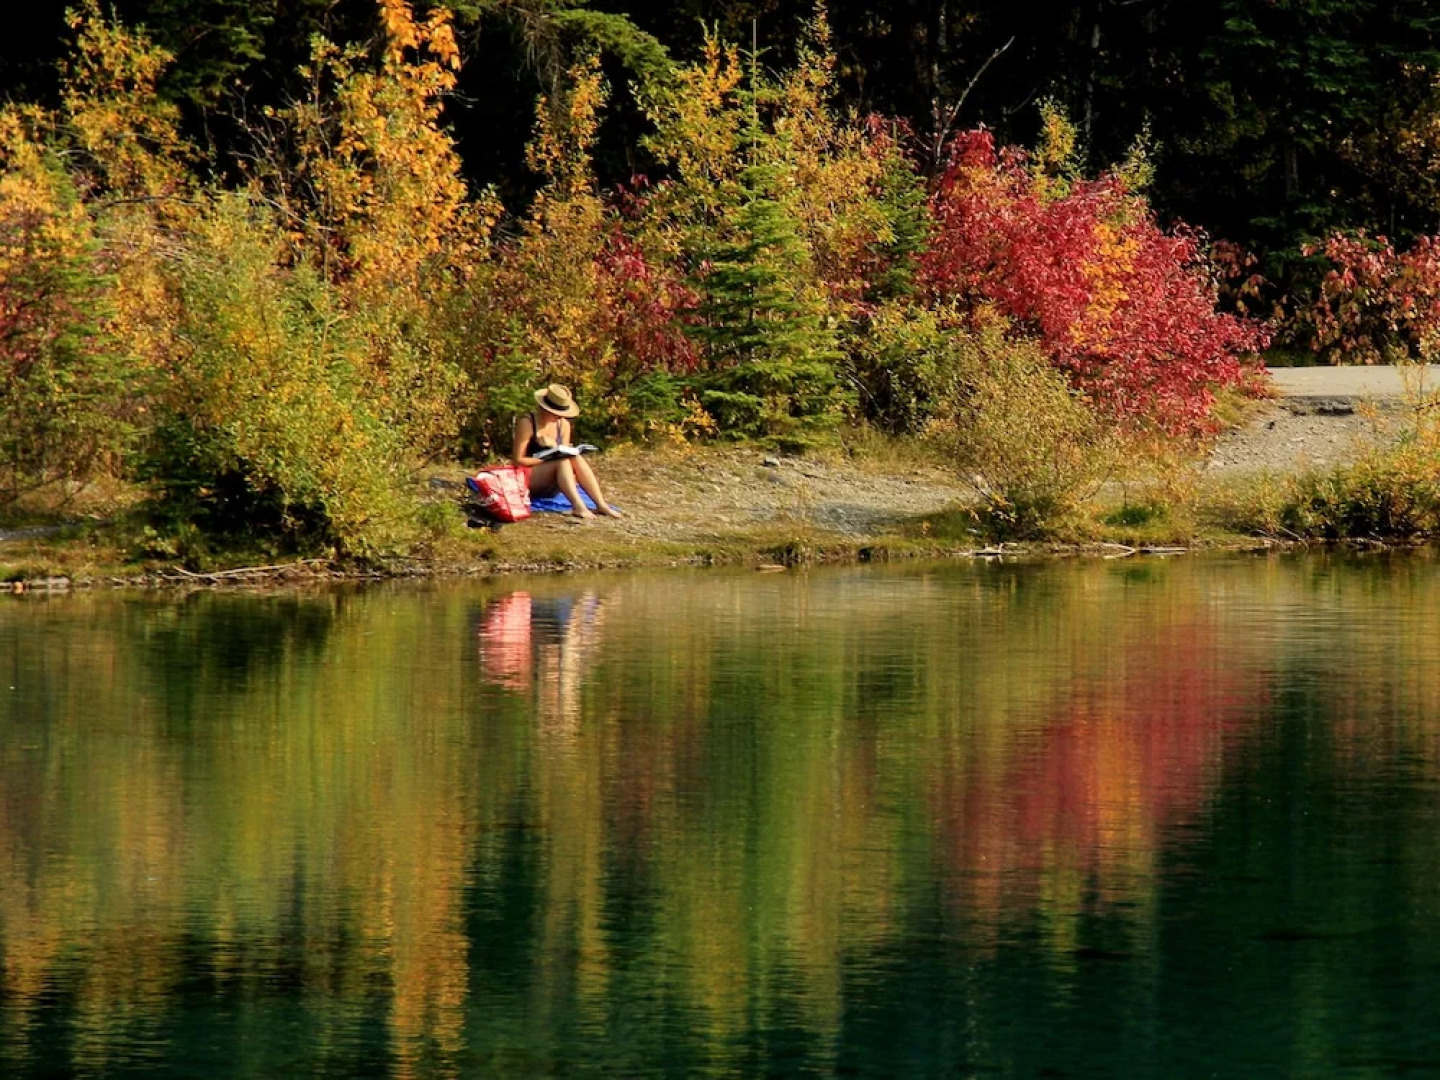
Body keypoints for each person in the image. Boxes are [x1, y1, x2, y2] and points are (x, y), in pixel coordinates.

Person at [512, 384, 622, 519]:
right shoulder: (527, 422)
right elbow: (518, 460)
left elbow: (565, 453)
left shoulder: (563, 425)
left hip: (553, 482)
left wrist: (553, 447)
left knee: (574, 457)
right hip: (528, 479)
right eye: (555, 414)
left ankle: (601, 504)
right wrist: (545, 459)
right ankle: (579, 507)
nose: (558, 417)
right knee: (561, 461)